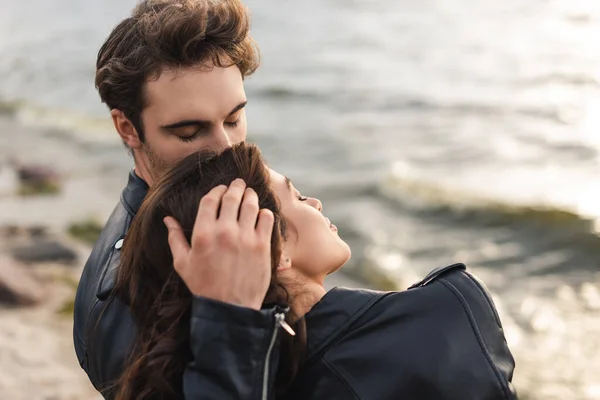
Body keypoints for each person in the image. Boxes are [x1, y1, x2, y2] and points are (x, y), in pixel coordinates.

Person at [114, 142, 518, 399]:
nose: (318, 202)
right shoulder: (432, 333)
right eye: (298, 195)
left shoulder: (234, 379)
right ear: (273, 252)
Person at [73, 0, 278, 397]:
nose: (227, 148)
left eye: (234, 119)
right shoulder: (129, 302)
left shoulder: (209, 221)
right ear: (128, 128)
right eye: (189, 132)